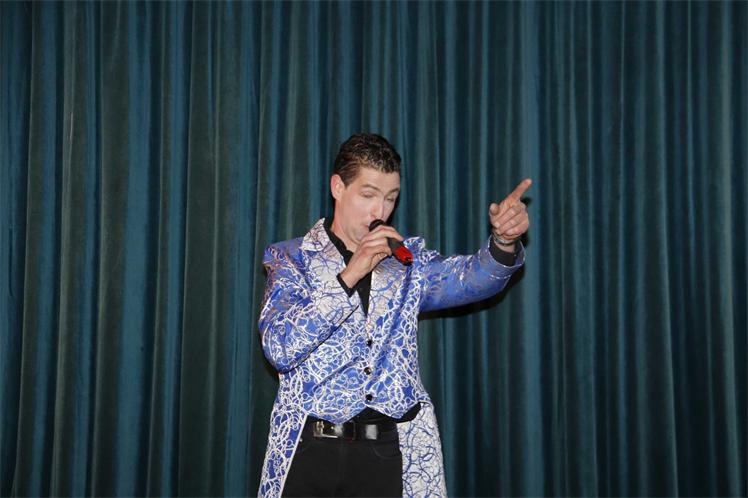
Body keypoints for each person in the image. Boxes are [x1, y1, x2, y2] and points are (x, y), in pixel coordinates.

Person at [258, 133, 531, 497]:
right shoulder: (291, 258)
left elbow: (473, 279)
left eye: (390, 198)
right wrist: (350, 275)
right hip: (310, 451)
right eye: (368, 195)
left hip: (385, 454)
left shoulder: (406, 264)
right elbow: (280, 347)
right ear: (338, 187)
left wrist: (504, 242)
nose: (380, 212)